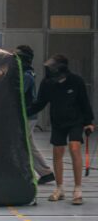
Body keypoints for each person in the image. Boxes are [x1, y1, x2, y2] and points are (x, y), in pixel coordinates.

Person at [28, 55, 94, 205]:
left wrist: (88, 122)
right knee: (57, 151)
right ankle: (59, 189)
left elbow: (84, 102)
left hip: (75, 120)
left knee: (74, 147)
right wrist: (24, 112)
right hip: (58, 121)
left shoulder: (76, 81)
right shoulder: (47, 83)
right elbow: (40, 103)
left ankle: (77, 189)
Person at [15, 45, 54, 185]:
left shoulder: (27, 75)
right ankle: (46, 173)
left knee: (21, 145)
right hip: (25, 115)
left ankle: (26, 174)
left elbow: (17, 92)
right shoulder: (24, 72)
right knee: (29, 146)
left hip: (27, 115)